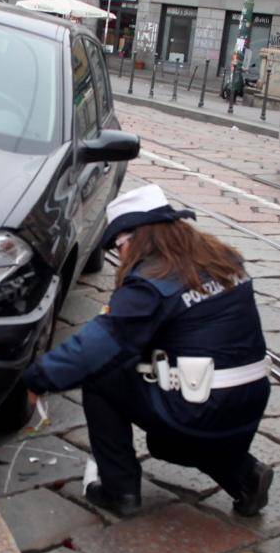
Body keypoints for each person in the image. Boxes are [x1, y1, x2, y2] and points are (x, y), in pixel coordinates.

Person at [25, 184, 271, 519]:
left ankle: (119, 490)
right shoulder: (224, 259)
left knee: (102, 377)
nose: (119, 253)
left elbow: (95, 348)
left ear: (138, 238)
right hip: (251, 399)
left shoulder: (153, 281)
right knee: (171, 436)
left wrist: (37, 378)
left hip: (201, 410)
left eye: (119, 244)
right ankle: (244, 476)